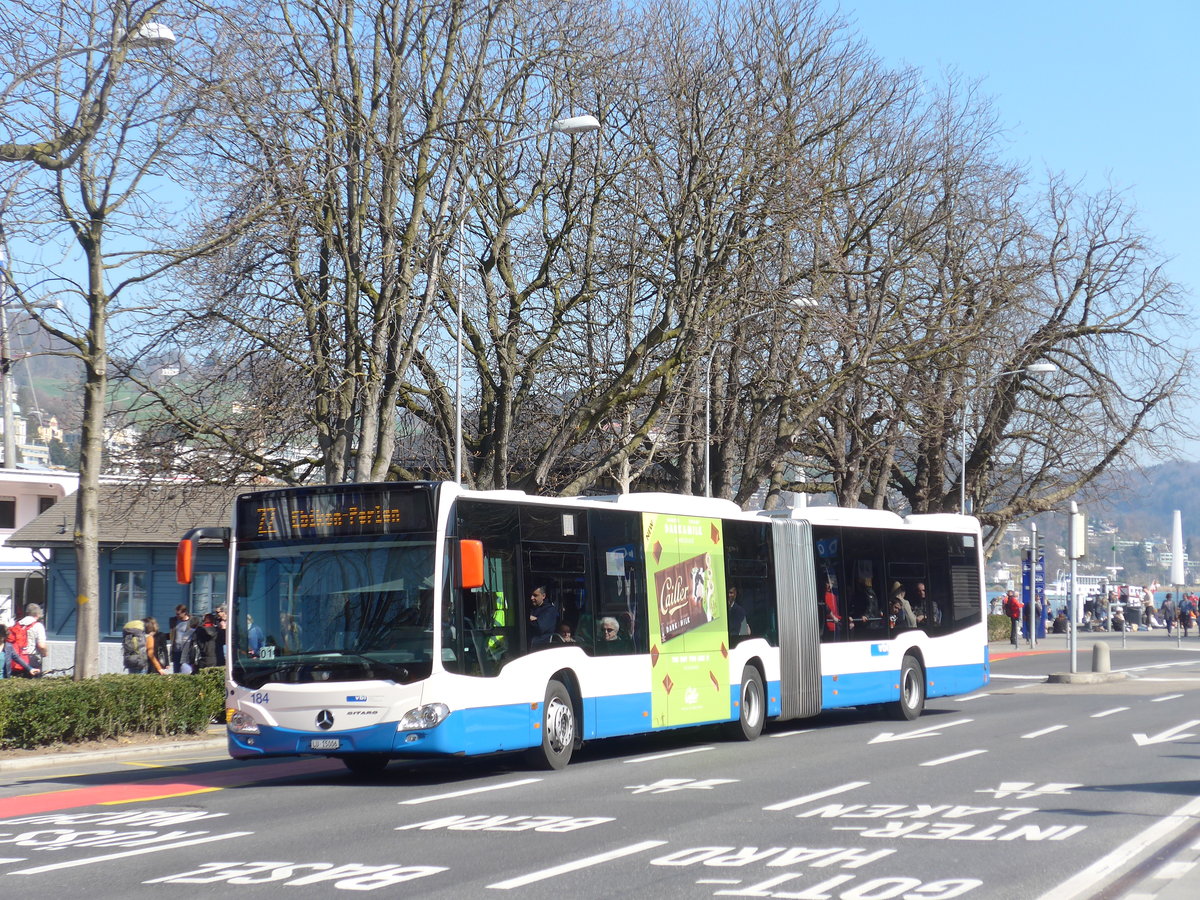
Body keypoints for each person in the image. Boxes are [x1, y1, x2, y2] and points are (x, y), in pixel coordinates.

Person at [16, 602, 48, 673]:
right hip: (31, 658)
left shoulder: (17, 624)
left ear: (27, 613)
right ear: (38, 614)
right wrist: (45, 653)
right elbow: (41, 646)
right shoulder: (38, 626)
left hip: (16, 658)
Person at [170, 605, 195, 672]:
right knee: (176, 671)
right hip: (176, 650)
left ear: (184, 613)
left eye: (178, 614)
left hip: (186, 651)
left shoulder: (191, 621)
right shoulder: (174, 621)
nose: (177, 616)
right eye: (176, 614)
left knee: (186, 671)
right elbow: (172, 634)